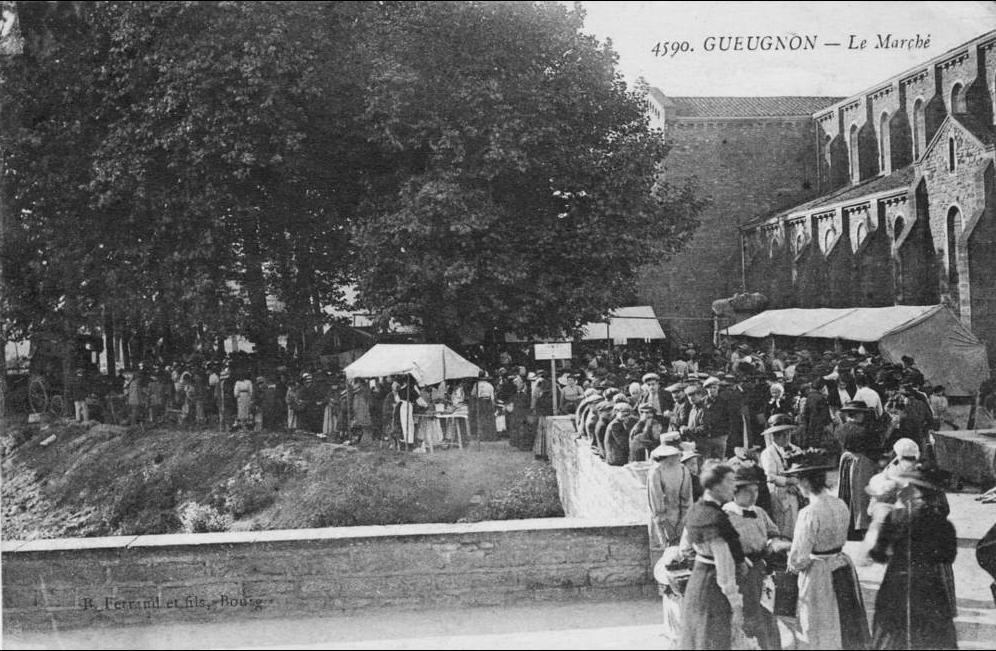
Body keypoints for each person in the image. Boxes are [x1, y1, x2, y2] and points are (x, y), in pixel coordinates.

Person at [787, 456, 871, 650]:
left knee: (820, 625)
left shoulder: (808, 512)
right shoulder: (840, 504)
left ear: (806, 482)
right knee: (844, 619)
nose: (798, 486)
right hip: (842, 565)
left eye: (799, 482)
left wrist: (792, 564)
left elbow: (799, 557)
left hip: (819, 571)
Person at [868, 468, 958, 650]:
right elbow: (948, 556)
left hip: (896, 582)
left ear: (915, 489)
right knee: (933, 634)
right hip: (930, 584)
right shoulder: (942, 523)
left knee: (891, 634)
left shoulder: (895, 516)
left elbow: (878, 554)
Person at [678, 463, 745, 650]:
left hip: (697, 583)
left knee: (697, 639)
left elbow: (684, 548)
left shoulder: (696, 510)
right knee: (713, 641)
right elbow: (724, 568)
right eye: (730, 481)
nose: (734, 487)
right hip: (713, 589)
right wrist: (736, 604)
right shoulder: (715, 519)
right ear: (716, 486)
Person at [724, 466, 783, 650]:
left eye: (756, 490)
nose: (753, 495)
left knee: (768, 616)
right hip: (741, 573)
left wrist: (773, 545)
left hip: (762, 570)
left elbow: (774, 533)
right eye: (748, 492)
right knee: (748, 618)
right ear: (735, 493)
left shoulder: (759, 512)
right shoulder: (726, 516)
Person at [836, 400, 879, 541]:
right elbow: (875, 446)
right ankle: (861, 526)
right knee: (860, 494)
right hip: (861, 461)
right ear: (860, 414)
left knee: (847, 492)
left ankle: (848, 526)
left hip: (846, 460)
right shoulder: (864, 431)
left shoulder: (842, 428)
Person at [759, 414, 802, 538]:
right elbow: (770, 476)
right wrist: (788, 482)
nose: (786, 437)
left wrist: (798, 483)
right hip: (780, 494)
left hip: (798, 492)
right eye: (781, 434)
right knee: (785, 526)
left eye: (788, 433)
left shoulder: (797, 449)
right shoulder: (768, 453)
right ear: (773, 436)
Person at [647, 443, 692, 548]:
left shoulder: (683, 469)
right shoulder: (656, 471)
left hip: (675, 517)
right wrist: (669, 524)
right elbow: (656, 501)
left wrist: (682, 521)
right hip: (666, 519)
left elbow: (687, 498)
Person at [798, 377, 832, 450]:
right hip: (819, 428)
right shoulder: (820, 398)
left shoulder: (810, 396)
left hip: (810, 427)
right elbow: (824, 417)